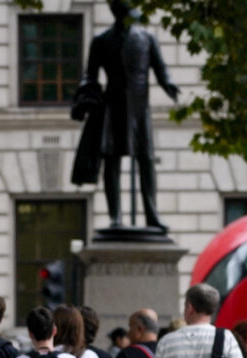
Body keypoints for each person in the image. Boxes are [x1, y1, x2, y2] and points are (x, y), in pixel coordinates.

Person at [72, 0, 180, 230]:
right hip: (112, 106)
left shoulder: (147, 38)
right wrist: (86, 96)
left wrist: (169, 84)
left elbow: (160, 68)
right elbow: (90, 75)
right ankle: (116, 216)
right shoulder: (101, 41)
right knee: (111, 161)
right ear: (116, 12)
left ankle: (152, 214)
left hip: (140, 109)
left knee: (146, 160)